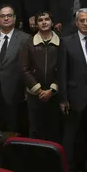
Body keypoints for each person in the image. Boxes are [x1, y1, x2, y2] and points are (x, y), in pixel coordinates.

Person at [58, 9, 87, 172]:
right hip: (74, 95)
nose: (85, 23)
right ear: (76, 23)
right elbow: (62, 72)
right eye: (82, 20)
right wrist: (63, 98)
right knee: (71, 135)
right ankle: (69, 170)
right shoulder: (66, 41)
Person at [20, 11, 61, 142]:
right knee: (35, 130)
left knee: (54, 131)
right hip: (34, 95)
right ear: (36, 24)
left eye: (47, 19)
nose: (44, 22)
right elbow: (24, 69)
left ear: (52, 22)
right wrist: (39, 90)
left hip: (55, 94)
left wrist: (52, 90)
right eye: (40, 20)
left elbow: (64, 69)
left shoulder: (62, 42)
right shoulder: (28, 43)